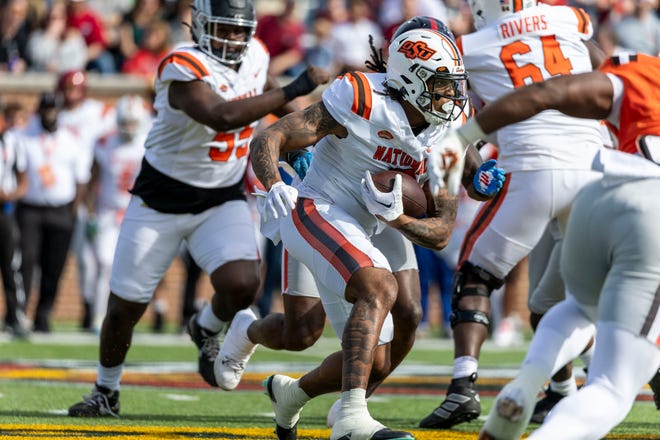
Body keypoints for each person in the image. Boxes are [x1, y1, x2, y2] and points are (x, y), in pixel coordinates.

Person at [67, 0, 328, 418]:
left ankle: (204, 327)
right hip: (160, 198)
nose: (233, 39)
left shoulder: (256, 55)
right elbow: (220, 115)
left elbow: (262, 93)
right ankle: (106, 390)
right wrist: (295, 88)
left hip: (218, 195)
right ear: (202, 26)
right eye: (223, 29)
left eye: (239, 31)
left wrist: (307, 132)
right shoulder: (180, 62)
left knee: (244, 283)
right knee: (124, 308)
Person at [249, 25, 501, 440]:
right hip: (320, 206)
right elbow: (271, 136)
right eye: (441, 86)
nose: (452, 97)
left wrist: (398, 219)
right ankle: (350, 420)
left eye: (454, 86)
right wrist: (274, 183)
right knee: (378, 286)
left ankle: (292, 395)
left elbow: (440, 232)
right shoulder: (362, 98)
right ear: (410, 79)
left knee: (378, 360)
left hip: (376, 219)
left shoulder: (448, 128)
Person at [424, 52, 660, 440]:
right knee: (613, 388)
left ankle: (525, 383)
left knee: (574, 307)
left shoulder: (645, 71)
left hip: (597, 193)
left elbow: (552, 89)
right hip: (648, 210)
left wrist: (462, 136)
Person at [418, 0, 608, 429]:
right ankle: (566, 391)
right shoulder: (569, 19)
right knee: (552, 302)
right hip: (595, 167)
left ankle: (462, 388)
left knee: (474, 276)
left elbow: (438, 99)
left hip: (533, 170)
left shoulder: (471, 43)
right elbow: (607, 68)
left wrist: (460, 144)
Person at [15, 92, 89, 333]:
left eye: (53, 110)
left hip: (61, 209)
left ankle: (43, 314)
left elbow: (81, 179)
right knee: (27, 260)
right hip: (31, 209)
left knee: (53, 266)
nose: (49, 115)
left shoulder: (71, 140)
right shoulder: (26, 137)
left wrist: (73, 211)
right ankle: (20, 312)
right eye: (46, 110)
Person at [85, 94, 151, 333]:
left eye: (133, 122)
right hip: (108, 211)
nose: (129, 128)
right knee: (104, 263)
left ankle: (126, 318)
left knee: (136, 268)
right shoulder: (104, 142)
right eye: (126, 122)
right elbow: (93, 178)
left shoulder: (149, 142)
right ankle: (98, 316)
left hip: (137, 211)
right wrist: (90, 211)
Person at [0, 100, 29, 338]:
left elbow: (23, 181)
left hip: (4, 210)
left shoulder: (14, 143)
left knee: (10, 264)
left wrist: (11, 194)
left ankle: (14, 315)